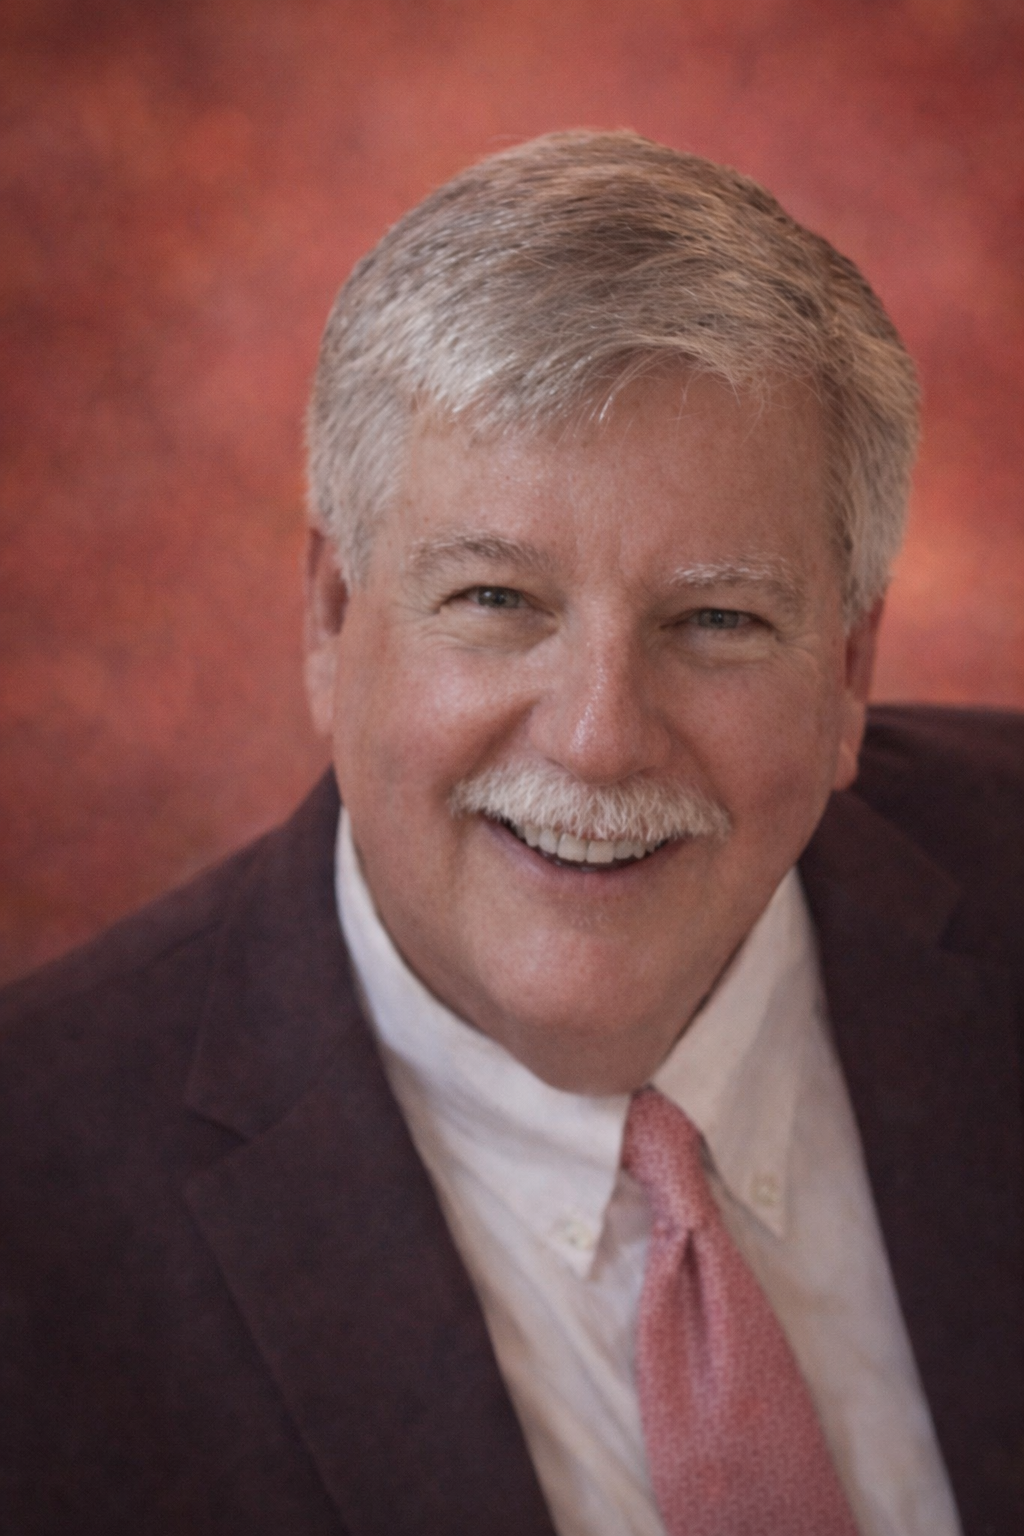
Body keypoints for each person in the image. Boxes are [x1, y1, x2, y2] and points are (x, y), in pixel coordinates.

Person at [0, 131, 1020, 1536]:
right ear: (334, 619)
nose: (599, 736)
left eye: (717, 620)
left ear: (847, 671)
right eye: (496, 600)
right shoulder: (33, 1211)